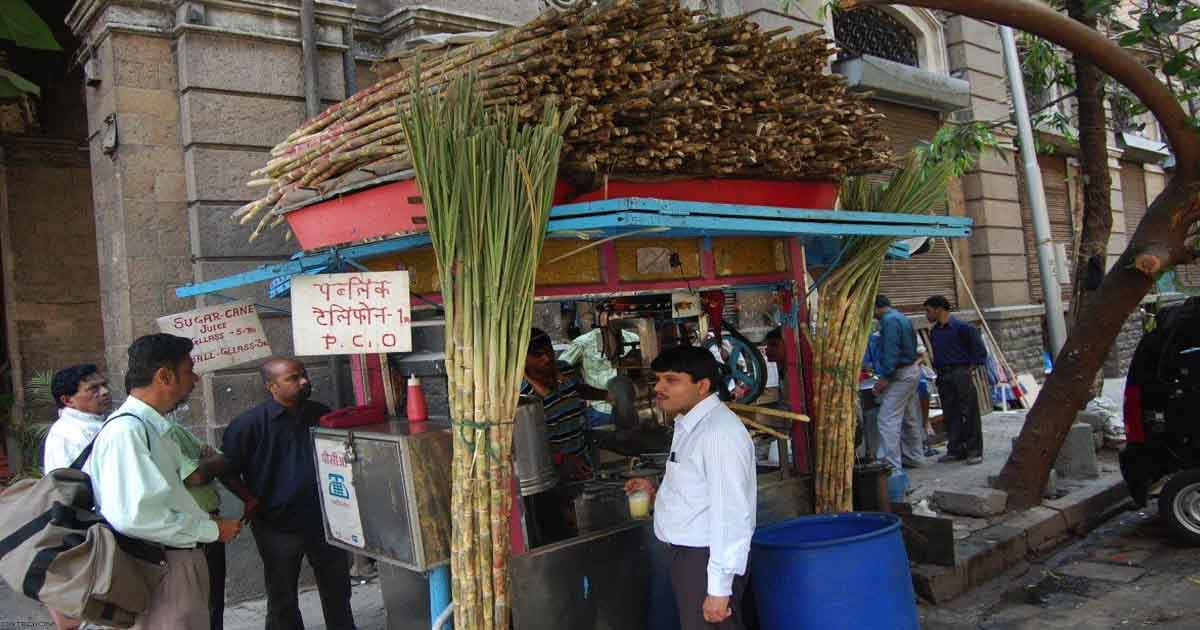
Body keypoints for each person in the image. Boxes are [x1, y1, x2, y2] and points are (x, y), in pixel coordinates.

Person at [84, 334, 242, 630]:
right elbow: (134, 516)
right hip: (160, 564)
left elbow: (167, 497)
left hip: (175, 559)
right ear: (165, 377)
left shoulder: (151, 426)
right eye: (189, 371)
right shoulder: (127, 431)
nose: (195, 379)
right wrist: (210, 529)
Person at [625, 346, 755, 630]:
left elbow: (731, 513)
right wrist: (657, 494)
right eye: (658, 379)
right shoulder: (690, 424)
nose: (658, 388)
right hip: (691, 557)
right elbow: (698, 491)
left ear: (702, 386)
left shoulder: (717, 433)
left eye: (671, 380)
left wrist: (719, 588)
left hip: (705, 559)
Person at [221, 358, 355, 630]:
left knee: (337, 587)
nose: (304, 381)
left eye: (304, 375)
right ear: (272, 386)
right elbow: (226, 469)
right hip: (276, 522)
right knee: (282, 594)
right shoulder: (248, 425)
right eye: (293, 378)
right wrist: (248, 498)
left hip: (325, 518)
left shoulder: (321, 414)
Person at [162, 415, 260, 630]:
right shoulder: (157, 431)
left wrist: (208, 462)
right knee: (198, 602)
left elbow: (219, 460)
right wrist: (208, 463)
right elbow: (198, 476)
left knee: (212, 598)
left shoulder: (173, 427)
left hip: (204, 520)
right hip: (190, 525)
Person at [41, 365, 113, 630]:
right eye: (93, 389)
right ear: (67, 400)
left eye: (104, 385)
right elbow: (67, 491)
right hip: (90, 532)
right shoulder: (67, 435)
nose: (104, 392)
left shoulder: (97, 424)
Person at [522, 328, 609, 482]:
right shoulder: (522, 393)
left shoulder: (564, 369)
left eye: (549, 350)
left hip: (582, 462)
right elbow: (526, 444)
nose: (547, 358)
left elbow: (577, 389)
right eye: (538, 354)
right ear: (523, 357)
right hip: (551, 472)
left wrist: (608, 395)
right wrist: (561, 458)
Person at [923, 295, 988, 465]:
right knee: (950, 413)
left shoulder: (963, 328)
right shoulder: (935, 331)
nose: (926, 315)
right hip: (943, 374)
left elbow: (980, 352)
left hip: (960, 371)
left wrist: (968, 370)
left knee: (969, 412)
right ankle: (956, 449)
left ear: (939, 309)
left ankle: (974, 451)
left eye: (928, 311)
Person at [871, 295, 923, 483]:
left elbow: (891, 351)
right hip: (910, 371)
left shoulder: (889, 321)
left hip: (901, 374)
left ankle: (891, 467)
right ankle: (914, 456)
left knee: (887, 419)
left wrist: (885, 377)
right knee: (909, 417)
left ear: (876, 307)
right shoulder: (901, 317)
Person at [558, 326, 640, 427]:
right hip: (600, 411)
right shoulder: (583, 343)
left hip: (629, 410)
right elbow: (560, 371)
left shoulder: (633, 339)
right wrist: (580, 393)